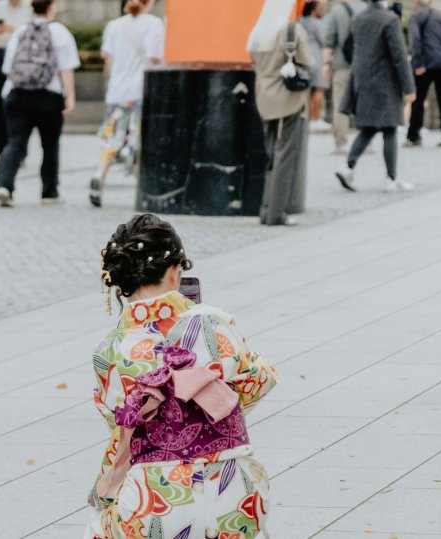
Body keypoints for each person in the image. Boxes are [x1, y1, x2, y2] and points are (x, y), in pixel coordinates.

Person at [85, 214, 278, 539]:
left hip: (154, 503)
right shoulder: (213, 320)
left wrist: (102, 495)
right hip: (236, 495)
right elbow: (255, 384)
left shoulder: (108, 350)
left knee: (98, 524)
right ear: (175, 272)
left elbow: (120, 429)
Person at [0, 0, 79, 207]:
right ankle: (49, 192)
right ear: (51, 7)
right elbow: (66, 67)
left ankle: (4, 185)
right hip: (49, 96)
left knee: (15, 141)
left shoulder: (21, 31)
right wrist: (70, 96)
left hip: (17, 94)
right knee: (50, 145)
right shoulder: (60, 32)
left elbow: (8, 67)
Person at [87, 0, 163, 209]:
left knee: (113, 137)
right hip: (140, 91)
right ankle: (142, 189)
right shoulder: (154, 24)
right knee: (138, 138)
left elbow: (107, 59)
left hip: (116, 92)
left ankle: (99, 174)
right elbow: (156, 59)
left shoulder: (114, 26)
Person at [335, 0, 416, 193]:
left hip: (363, 80)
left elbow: (352, 48)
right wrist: (408, 87)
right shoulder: (389, 20)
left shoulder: (359, 18)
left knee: (368, 129)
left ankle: (347, 167)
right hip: (385, 82)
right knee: (389, 128)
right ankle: (391, 178)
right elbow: (399, 55)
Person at [249, 0, 313, 226]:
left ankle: (266, 209)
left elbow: (254, 62)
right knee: (285, 154)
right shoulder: (291, 30)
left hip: (263, 96)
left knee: (271, 155)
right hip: (287, 98)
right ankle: (277, 213)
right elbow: (308, 61)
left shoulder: (257, 33)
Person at [0, 0, 30, 167]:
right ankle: (1, 150)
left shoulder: (30, 6)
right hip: (0, 53)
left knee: (21, 105)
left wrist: (15, 30)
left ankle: (19, 151)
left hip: (22, 56)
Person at [405, 0, 441, 148]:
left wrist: (418, 63)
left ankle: (414, 136)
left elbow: (414, 41)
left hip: (425, 64)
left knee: (418, 99)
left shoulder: (415, 17)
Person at [322, 0, 366, 154]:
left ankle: (341, 142)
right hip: (363, 65)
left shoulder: (337, 11)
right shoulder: (367, 9)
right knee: (363, 102)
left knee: (340, 103)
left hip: (341, 65)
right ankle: (365, 140)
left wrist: (326, 64)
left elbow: (329, 39)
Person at [301, 0, 330, 131]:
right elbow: (323, 40)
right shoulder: (315, 23)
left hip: (303, 55)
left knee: (306, 89)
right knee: (319, 88)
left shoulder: (299, 21)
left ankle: (306, 116)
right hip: (316, 55)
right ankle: (316, 118)